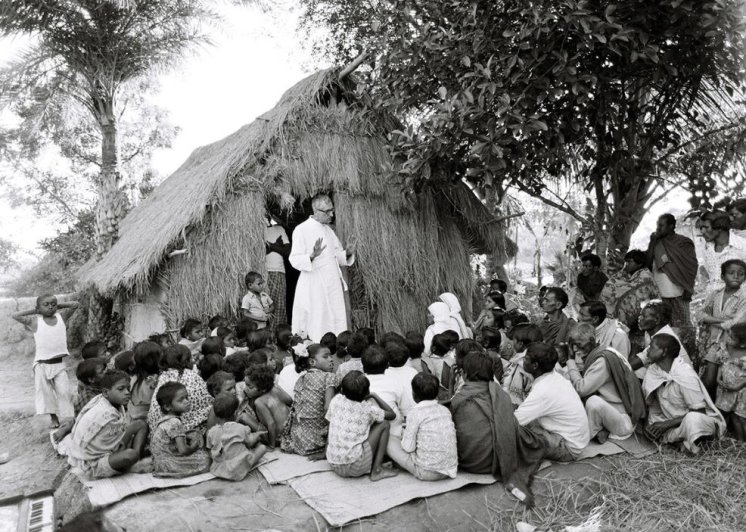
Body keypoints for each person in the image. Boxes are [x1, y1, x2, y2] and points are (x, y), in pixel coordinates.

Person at [450, 352, 545, 504]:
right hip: (502, 461)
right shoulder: (501, 394)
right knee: (527, 433)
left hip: (472, 463)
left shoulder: (459, 399)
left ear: (465, 374)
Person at [562, 323, 646, 443]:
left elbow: (582, 389)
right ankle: (600, 430)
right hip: (609, 412)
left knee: (592, 401)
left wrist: (570, 360)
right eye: (572, 345)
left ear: (591, 341)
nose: (575, 349)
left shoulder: (602, 360)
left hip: (622, 420)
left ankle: (583, 438)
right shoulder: (602, 351)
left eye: (578, 345)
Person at [643, 334, 725, 454]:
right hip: (673, 423)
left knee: (693, 420)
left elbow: (699, 412)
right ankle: (682, 444)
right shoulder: (653, 371)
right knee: (652, 422)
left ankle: (689, 444)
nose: (647, 350)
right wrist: (650, 427)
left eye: (651, 347)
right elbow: (652, 405)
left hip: (694, 422)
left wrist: (665, 425)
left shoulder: (684, 374)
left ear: (664, 352)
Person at [289, 194, 355, 341]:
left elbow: (336, 255)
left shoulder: (329, 231)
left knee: (336, 317)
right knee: (318, 319)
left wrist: (348, 252)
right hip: (314, 283)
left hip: (332, 282)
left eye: (332, 210)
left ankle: (337, 347)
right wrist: (312, 255)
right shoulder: (301, 229)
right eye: (328, 211)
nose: (331, 214)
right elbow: (294, 259)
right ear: (316, 211)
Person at [514, 343, 590, 461]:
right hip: (576, 440)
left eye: (526, 359)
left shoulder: (543, 390)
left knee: (516, 432)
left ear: (535, 366)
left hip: (567, 447)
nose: (523, 361)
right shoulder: (555, 376)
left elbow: (514, 422)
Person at [12, 294, 79, 429]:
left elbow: (75, 304)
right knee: (45, 393)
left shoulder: (61, 318)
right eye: (46, 305)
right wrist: (36, 310)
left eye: (53, 304)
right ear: (38, 308)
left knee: (64, 391)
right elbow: (16, 315)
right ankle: (53, 417)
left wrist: (58, 306)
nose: (50, 307)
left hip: (59, 364)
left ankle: (69, 417)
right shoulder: (35, 321)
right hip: (42, 365)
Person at [66, 370, 148, 479]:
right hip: (92, 464)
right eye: (121, 389)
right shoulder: (106, 414)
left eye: (128, 388)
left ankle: (134, 460)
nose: (127, 392)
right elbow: (112, 444)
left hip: (109, 449)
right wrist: (123, 444)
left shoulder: (111, 402)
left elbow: (118, 436)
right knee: (130, 455)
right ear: (105, 392)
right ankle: (132, 463)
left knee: (140, 424)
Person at [325, 371, 398, 481]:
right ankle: (377, 470)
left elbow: (330, 424)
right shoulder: (368, 409)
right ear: (366, 392)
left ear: (342, 390)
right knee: (384, 424)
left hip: (333, 462)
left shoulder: (336, 400)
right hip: (355, 466)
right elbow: (392, 415)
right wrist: (374, 395)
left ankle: (373, 464)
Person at [386, 372, 458, 480]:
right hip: (451, 469)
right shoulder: (445, 410)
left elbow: (408, 448)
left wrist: (404, 435)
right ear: (437, 393)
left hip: (426, 471)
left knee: (389, 440)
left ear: (414, 394)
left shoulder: (415, 413)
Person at [699, 259, 746, 399]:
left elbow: (735, 324)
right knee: (709, 381)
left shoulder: (743, 298)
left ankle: (727, 413)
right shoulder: (715, 294)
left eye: (741, 274)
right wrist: (724, 320)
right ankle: (712, 410)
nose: (736, 276)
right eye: (731, 273)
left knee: (729, 381)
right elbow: (701, 315)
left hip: (733, 346)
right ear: (722, 276)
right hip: (714, 343)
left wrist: (711, 320)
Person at [280, 343, 337, 458]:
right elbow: (328, 408)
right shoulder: (329, 377)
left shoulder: (301, 379)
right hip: (316, 442)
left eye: (331, 356)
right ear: (312, 362)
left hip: (298, 440)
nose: (331, 359)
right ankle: (325, 451)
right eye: (326, 356)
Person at [646, 214, 698, 331]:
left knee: (684, 327)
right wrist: (652, 243)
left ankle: (688, 349)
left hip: (679, 291)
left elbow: (691, 266)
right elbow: (648, 264)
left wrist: (687, 287)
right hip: (660, 293)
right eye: (657, 225)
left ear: (672, 226)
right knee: (663, 327)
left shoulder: (684, 242)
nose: (658, 228)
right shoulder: (656, 243)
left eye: (661, 225)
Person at [147, 345, 213, 435]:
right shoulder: (191, 375)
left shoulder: (163, 376)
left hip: (157, 432)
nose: (193, 361)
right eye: (190, 358)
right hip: (184, 430)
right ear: (184, 362)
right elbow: (208, 402)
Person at [151, 382, 212, 478]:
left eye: (186, 397)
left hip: (158, 463)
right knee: (206, 459)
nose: (186, 401)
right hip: (168, 464)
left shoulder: (167, 419)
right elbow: (183, 450)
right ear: (167, 406)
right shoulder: (175, 422)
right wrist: (194, 447)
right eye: (181, 400)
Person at [600, 249, 659, 344]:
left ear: (639, 264)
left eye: (630, 262)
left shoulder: (645, 276)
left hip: (640, 316)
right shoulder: (623, 273)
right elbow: (611, 285)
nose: (626, 264)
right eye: (626, 261)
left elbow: (640, 294)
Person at [207, 392, 268, 481]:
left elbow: (210, 449)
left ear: (216, 414)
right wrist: (257, 435)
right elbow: (250, 442)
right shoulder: (241, 428)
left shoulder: (211, 431)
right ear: (236, 413)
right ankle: (246, 465)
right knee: (262, 447)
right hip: (237, 469)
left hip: (218, 469)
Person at [630, 301, 693, 377]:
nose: (639, 318)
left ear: (657, 320)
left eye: (644, 316)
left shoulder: (662, 339)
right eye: (640, 315)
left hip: (679, 379)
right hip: (668, 374)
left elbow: (631, 365)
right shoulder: (649, 332)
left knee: (635, 373)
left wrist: (634, 352)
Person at [362, 345, 412, 439]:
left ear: (363, 368)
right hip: (393, 434)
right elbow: (405, 410)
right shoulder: (395, 382)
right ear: (387, 365)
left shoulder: (358, 382)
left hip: (367, 436)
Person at [698, 211, 746, 295]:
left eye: (706, 227)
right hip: (715, 302)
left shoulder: (742, 246)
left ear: (719, 227)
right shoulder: (707, 248)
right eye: (701, 227)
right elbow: (710, 276)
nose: (702, 231)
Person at [244, 365, 290, 449]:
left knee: (243, 417)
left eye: (250, 387)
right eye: (245, 385)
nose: (245, 389)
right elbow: (290, 401)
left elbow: (271, 424)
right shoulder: (276, 389)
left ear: (263, 389)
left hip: (278, 438)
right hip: (290, 432)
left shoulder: (259, 402)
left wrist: (272, 445)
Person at [716, 323, 746, 441]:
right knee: (733, 415)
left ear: (743, 343)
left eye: (731, 338)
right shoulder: (724, 351)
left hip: (742, 392)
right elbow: (720, 366)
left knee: (742, 418)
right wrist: (718, 379)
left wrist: (738, 386)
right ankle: (740, 442)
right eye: (728, 335)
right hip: (727, 391)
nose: (727, 339)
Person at [503, 324, 543, 406]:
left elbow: (515, 394)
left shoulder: (522, 364)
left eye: (513, 340)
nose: (512, 342)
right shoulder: (536, 360)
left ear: (520, 344)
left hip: (516, 407)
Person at [265, 219, 291, 327]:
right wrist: (277, 245)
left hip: (277, 270)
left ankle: (277, 333)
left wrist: (270, 246)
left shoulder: (279, 228)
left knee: (278, 304)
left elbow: (287, 251)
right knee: (263, 304)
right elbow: (256, 251)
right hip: (262, 271)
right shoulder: (256, 230)